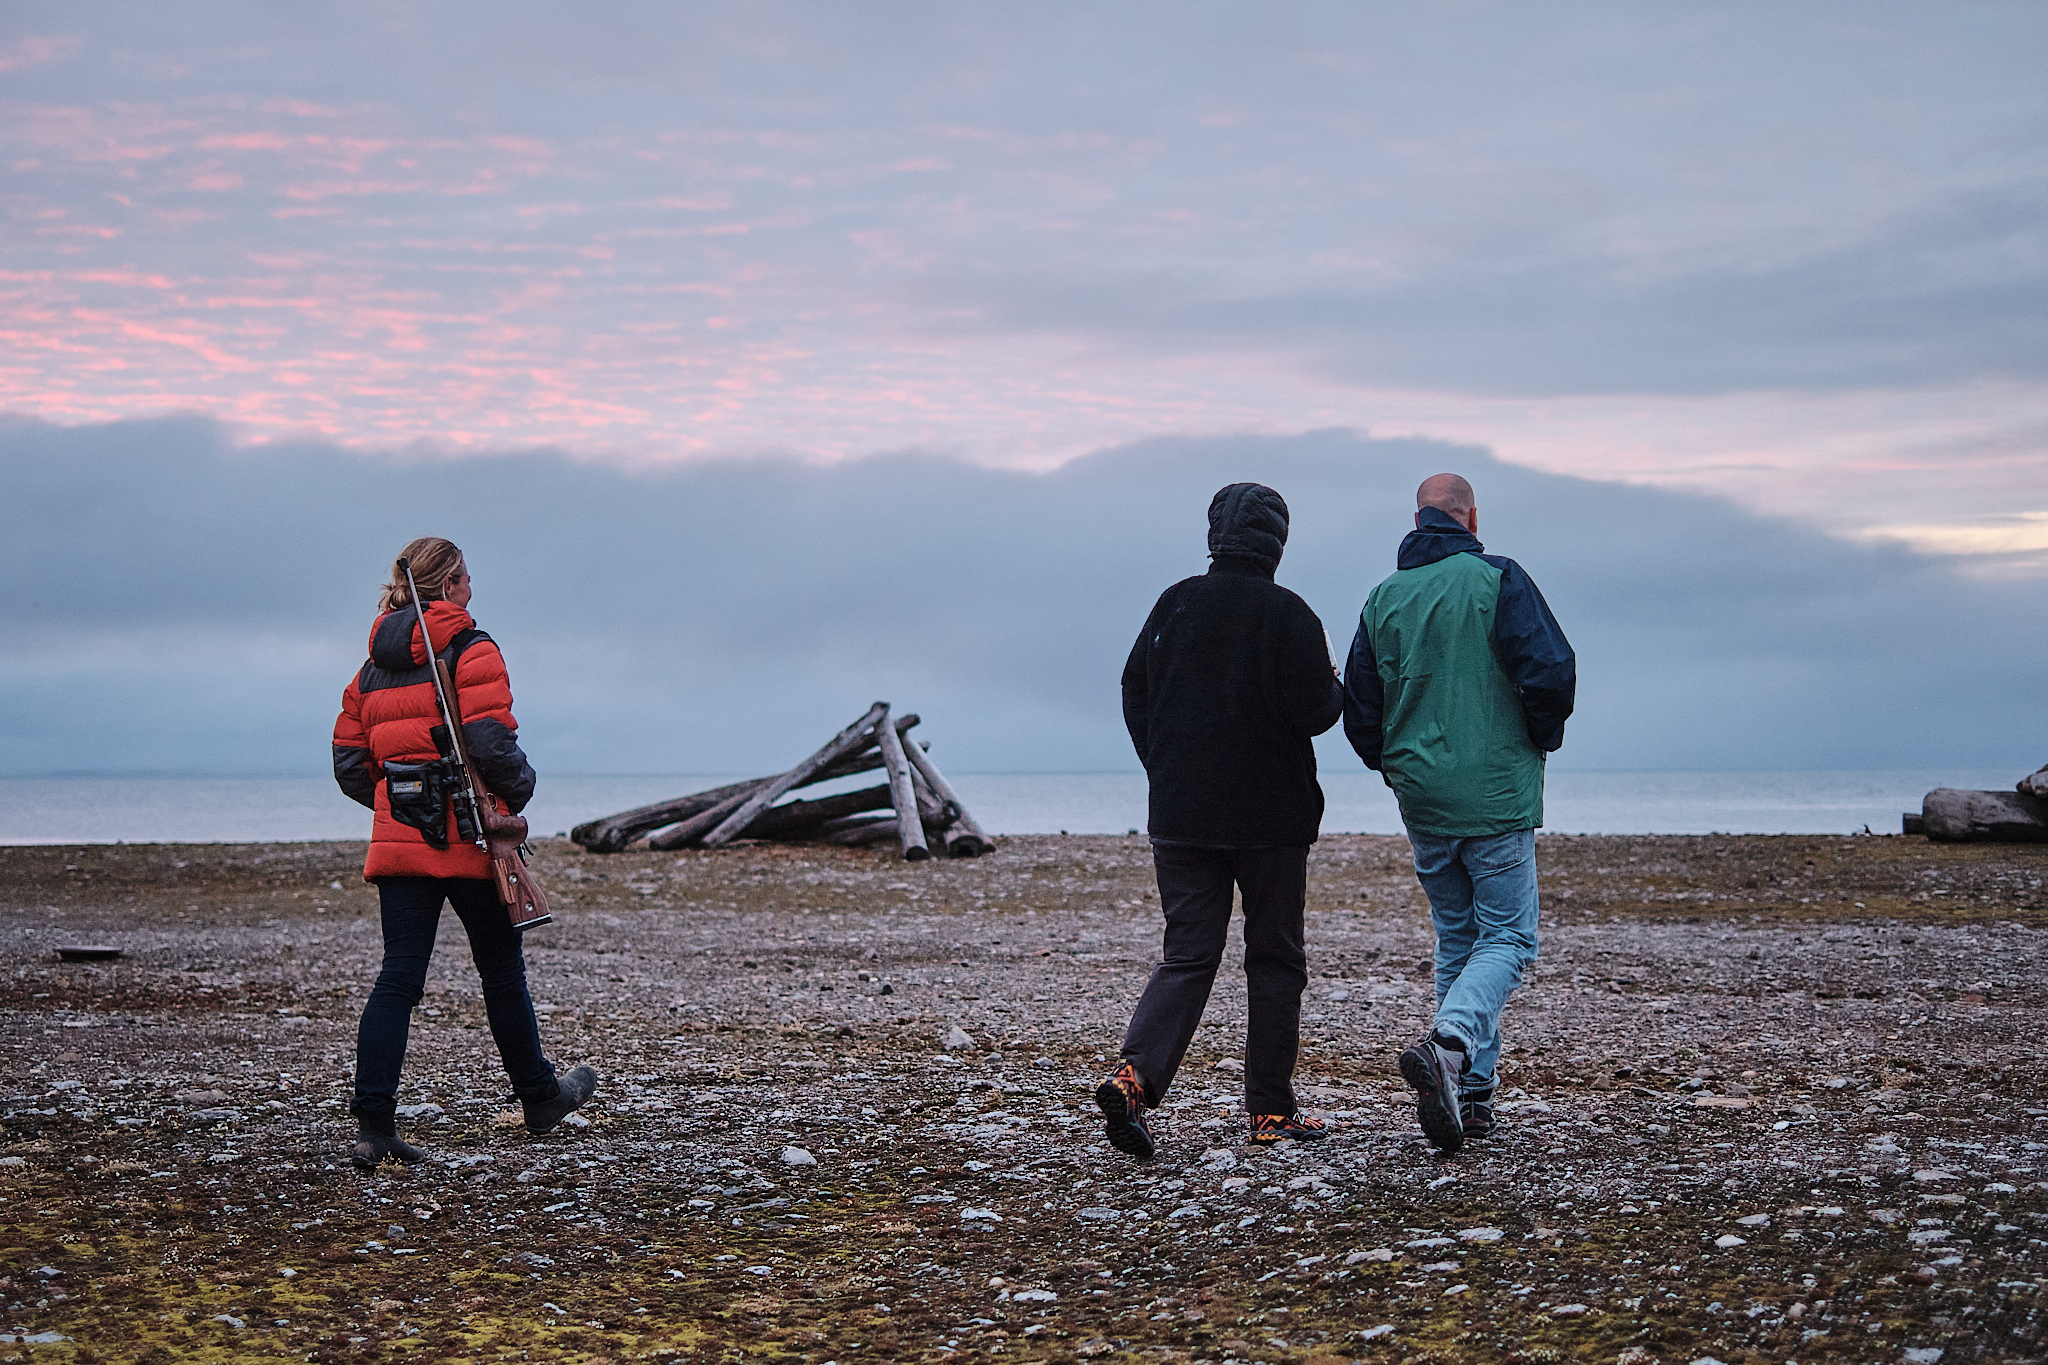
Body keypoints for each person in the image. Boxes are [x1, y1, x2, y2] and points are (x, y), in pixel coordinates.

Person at [1096, 482, 1345, 1162]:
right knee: (1274, 958)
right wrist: (1336, 678)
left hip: (1181, 813)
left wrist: (1167, 765)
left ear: (1214, 535)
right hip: (1271, 819)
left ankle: (1135, 1076)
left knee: (1188, 953)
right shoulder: (1290, 614)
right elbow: (1318, 710)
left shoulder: (1173, 604)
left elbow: (1133, 692)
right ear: (1277, 542)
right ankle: (1269, 1110)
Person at [331, 537, 597, 1170]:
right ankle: (538, 1097)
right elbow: (490, 740)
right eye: (467, 577)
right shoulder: (473, 649)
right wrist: (520, 790)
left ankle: (374, 1125)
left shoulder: (370, 670)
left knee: (399, 975)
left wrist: (400, 810)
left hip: (402, 845)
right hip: (471, 840)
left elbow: (349, 764)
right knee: (501, 970)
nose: (473, 588)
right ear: (448, 583)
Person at [1342, 473, 1575, 1154]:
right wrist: (1535, 737)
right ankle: (1449, 1047)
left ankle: (1473, 1098)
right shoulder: (1497, 578)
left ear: (1416, 519)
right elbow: (1551, 671)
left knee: (1458, 937)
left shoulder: (1383, 598)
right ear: (1472, 517)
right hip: (1495, 788)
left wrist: (1394, 766)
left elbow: (1359, 704)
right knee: (1509, 938)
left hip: (1423, 794)